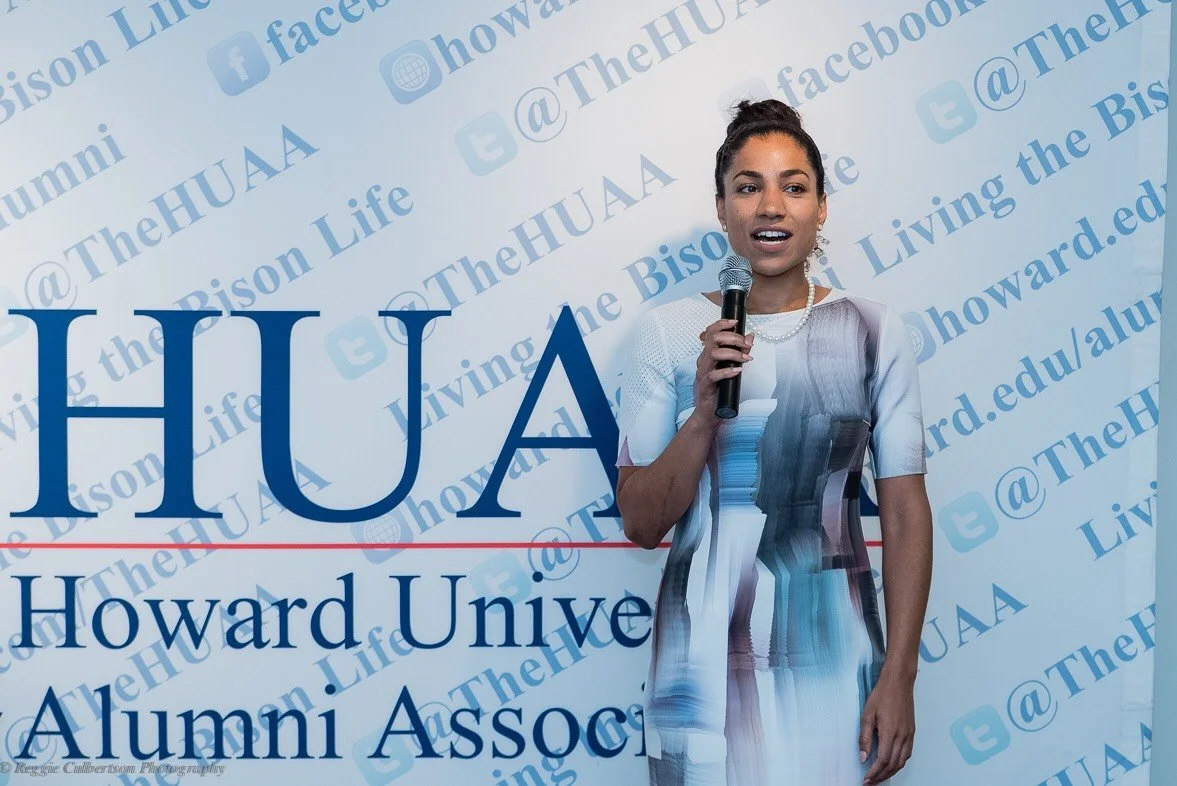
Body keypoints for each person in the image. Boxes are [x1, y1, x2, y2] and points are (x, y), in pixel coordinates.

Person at [614, 99, 934, 786]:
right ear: (723, 209)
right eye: (747, 186)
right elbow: (641, 521)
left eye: (793, 186)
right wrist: (702, 411)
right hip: (695, 668)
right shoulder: (668, 334)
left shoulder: (874, 332)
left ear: (821, 209)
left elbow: (905, 513)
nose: (771, 205)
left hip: (834, 658)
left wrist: (898, 674)